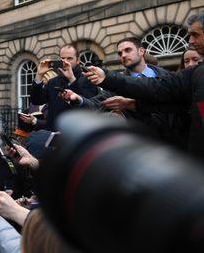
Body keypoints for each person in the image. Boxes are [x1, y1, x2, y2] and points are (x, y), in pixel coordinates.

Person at [84, 11, 204, 159]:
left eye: (195, 35)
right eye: (120, 53)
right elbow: (164, 97)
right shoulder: (192, 75)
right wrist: (110, 81)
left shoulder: (167, 74)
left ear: (141, 51)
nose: (190, 41)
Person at [30, 44, 98, 130]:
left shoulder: (88, 80)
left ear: (78, 60)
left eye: (69, 58)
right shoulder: (53, 81)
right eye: (62, 58)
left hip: (77, 133)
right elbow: (36, 100)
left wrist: (72, 79)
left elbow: (88, 107)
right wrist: (39, 75)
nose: (65, 62)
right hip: (54, 134)